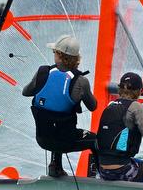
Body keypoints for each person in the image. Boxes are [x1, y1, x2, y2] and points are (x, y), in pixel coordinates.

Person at [22, 34, 97, 177]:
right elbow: (93, 106)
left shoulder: (42, 72)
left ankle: (55, 167)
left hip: (43, 140)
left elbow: (26, 92)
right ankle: (101, 176)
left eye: (54, 52)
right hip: (66, 142)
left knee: (53, 121)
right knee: (96, 140)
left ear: (60, 55)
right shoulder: (81, 81)